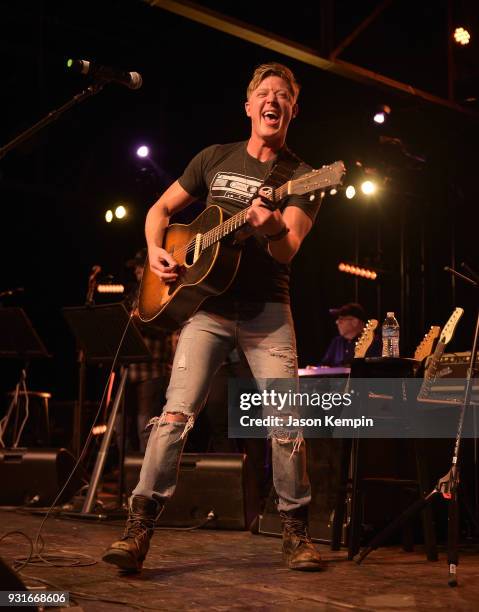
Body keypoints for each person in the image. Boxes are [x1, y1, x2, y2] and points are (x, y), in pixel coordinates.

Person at [103, 62, 324, 573]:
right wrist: (157, 249)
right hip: (207, 311)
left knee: (286, 421)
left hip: (268, 311)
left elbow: (287, 249)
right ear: (248, 106)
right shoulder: (213, 159)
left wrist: (268, 228)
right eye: (264, 93)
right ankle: (138, 529)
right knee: (174, 416)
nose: (273, 99)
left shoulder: (303, 177)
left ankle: (295, 532)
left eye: (283, 95)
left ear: (292, 109)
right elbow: (159, 211)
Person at [119, 248, 178, 453]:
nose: (137, 270)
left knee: (145, 427)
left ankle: (146, 480)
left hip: (152, 370)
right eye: (135, 267)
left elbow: (169, 326)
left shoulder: (165, 290)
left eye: (141, 266)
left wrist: (138, 321)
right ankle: (126, 479)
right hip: (127, 369)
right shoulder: (132, 294)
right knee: (120, 427)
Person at [320, 302, 381, 366]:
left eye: (341, 319)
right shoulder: (337, 342)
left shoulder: (373, 342)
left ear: (355, 322)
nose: (337, 322)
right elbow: (324, 365)